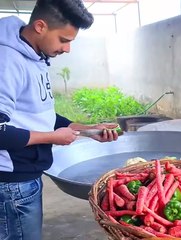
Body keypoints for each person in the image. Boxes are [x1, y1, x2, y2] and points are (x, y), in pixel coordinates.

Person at [0, 1, 120, 239]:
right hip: (12, 183)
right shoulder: (7, 61)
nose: (67, 49)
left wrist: (88, 130)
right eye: (64, 40)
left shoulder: (36, 56)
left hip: (28, 176)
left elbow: (39, 114)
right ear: (41, 26)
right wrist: (53, 138)